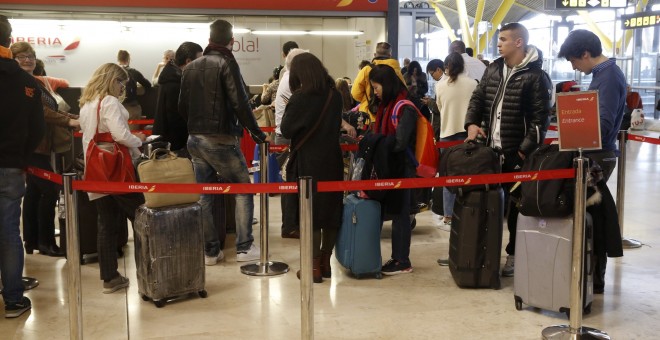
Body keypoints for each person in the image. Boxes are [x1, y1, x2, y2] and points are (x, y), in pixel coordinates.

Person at [464, 22, 552, 277]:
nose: (498, 43)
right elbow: (478, 99)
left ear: (519, 42)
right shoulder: (494, 69)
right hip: (489, 151)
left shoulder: (536, 77)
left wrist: (522, 152)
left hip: (517, 155)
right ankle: (483, 255)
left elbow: (540, 121)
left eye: (503, 39)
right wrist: (471, 123)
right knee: (486, 204)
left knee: (516, 209)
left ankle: (514, 254)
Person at [179, 19, 269, 265]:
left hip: (194, 139)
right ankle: (243, 247)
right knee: (242, 189)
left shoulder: (191, 67)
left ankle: (210, 251)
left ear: (209, 40)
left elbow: (182, 105)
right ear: (232, 41)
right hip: (221, 139)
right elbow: (240, 102)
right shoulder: (227, 63)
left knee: (205, 194)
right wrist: (257, 133)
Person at [557, 29, 627, 294]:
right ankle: (591, 278)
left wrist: (575, 129)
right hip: (595, 151)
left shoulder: (608, 77)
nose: (574, 66)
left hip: (598, 155)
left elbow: (605, 124)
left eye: (574, 60)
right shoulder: (603, 75)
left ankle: (594, 278)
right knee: (592, 215)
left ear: (586, 54)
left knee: (592, 217)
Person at [79, 63, 146, 293]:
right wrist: (139, 140)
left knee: (106, 224)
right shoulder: (109, 102)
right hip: (116, 170)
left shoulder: (87, 103)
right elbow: (120, 135)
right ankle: (147, 273)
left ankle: (110, 278)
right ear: (110, 80)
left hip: (95, 169)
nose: (122, 88)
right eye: (120, 82)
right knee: (141, 218)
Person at [11, 42, 79, 257]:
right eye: (21, 56)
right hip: (29, 144)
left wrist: (73, 117)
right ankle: (46, 242)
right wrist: (69, 123)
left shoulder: (36, 81)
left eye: (30, 56)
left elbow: (50, 109)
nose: (28, 60)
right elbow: (42, 112)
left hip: (39, 144)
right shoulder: (17, 83)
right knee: (50, 190)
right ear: (12, 59)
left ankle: (31, 241)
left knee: (34, 191)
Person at [280, 53, 344, 283]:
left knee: (311, 214)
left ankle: (313, 266)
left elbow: (286, 130)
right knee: (331, 213)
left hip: (308, 161)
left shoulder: (300, 97)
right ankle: (326, 262)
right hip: (333, 160)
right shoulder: (334, 95)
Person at [0, 15, 44, 318]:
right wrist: (20, 158)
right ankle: (14, 299)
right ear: (9, 39)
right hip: (11, 166)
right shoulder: (27, 83)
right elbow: (37, 130)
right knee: (8, 233)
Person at [368, 64, 418, 275]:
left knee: (400, 214)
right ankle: (385, 257)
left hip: (402, 168)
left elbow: (400, 143)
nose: (375, 92)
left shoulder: (404, 107)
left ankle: (401, 260)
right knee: (392, 212)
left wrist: (375, 142)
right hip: (389, 166)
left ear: (386, 85)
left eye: (376, 87)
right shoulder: (386, 105)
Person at [434, 53, 478, 265]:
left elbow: (440, 108)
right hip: (468, 135)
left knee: (447, 177)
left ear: (447, 67)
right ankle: (469, 211)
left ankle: (448, 216)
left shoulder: (440, 86)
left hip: (446, 135)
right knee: (469, 176)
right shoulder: (473, 83)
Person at [274, 48, 308, 239]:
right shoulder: (291, 82)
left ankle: (291, 223)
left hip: (284, 135)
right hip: (287, 138)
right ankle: (290, 225)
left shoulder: (287, 77)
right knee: (290, 183)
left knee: (290, 182)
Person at [153, 42, 202, 155]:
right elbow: (175, 117)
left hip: (168, 140)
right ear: (188, 61)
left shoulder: (171, 76)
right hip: (174, 144)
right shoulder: (175, 83)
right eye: (199, 61)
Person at [351, 42, 406, 121]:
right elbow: (402, 91)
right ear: (390, 56)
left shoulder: (366, 69)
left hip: (369, 115)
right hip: (389, 115)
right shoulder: (395, 71)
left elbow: (355, 93)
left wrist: (368, 99)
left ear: (374, 55)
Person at [116, 49, 152, 130]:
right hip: (131, 107)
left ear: (118, 59)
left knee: (118, 134)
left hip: (117, 107)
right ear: (128, 59)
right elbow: (148, 85)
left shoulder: (113, 72)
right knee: (132, 134)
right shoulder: (133, 72)